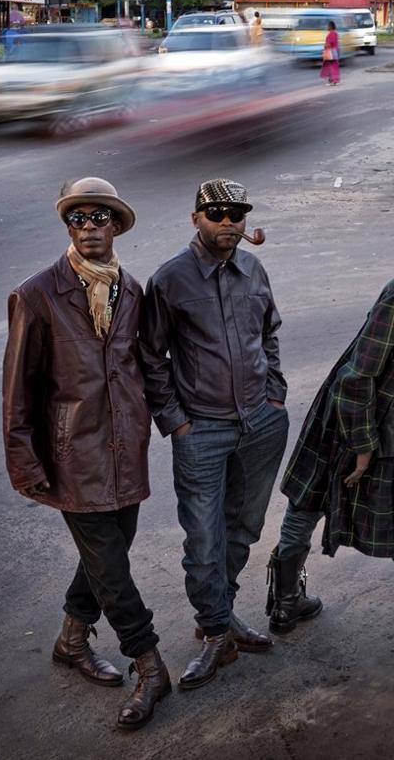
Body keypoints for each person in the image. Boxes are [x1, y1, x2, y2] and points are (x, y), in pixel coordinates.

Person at [2, 178, 170, 729]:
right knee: (111, 565)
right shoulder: (38, 294)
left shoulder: (134, 291)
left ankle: (71, 639)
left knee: (108, 553)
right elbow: (18, 388)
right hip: (73, 455)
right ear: (67, 227)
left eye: (101, 218)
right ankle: (148, 661)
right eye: (79, 219)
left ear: (116, 226)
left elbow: (143, 365)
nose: (90, 227)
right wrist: (25, 462)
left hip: (127, 448)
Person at [269, 177, 394, 645]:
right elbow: (357, 377)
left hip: (379, 415)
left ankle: (291, 604)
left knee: (381, 514)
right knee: (320, 506)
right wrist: (362, 447)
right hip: (351, 415)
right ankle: (292, 602)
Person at [140, 178, 289, 690]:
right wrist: (176, 422)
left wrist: (276, 394)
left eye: (237, 214)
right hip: (201, 430)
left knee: (243, 527)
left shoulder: (254, 268)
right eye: (217, 214)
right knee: (204, 541)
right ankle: (213, 631)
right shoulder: (171, 280)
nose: (228, 222)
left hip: (261, 423)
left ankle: (221, 619)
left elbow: (268, 332)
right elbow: (151, 358)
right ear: (196, 218)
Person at [319, 20, 340, 87]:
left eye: (328, 25)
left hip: (330, 52)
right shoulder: (335, 33)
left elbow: (329, 44)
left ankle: (333, 81)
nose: (327, 27)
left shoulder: (331, 34)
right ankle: (333, 80)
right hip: (335, 51)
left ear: (331, 26)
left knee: (331, 67)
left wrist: (324, 47)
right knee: (333, 67)